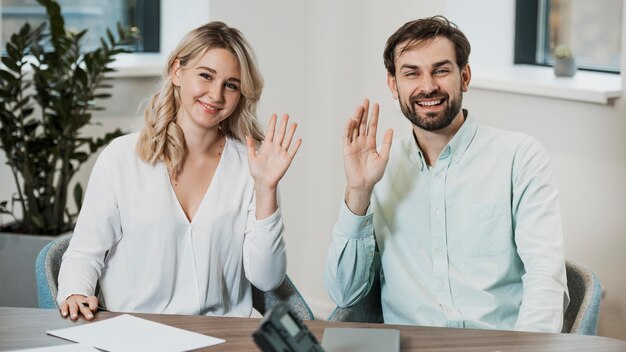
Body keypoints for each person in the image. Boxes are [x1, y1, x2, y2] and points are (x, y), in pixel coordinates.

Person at [324, 15, 568, 332]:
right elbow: (345, 295)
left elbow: (545, 276)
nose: (428, 86)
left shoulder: (518, 156)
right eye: (412, 73)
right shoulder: (378, 169)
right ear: (393, 84)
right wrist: (358, 192)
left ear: (464, 77)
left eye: (441, 70)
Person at [57, 21, 302, 320]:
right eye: (206, 76)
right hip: (132, 333)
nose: (216, 94)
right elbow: (84, 252)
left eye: (231, 85)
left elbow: (266, 279)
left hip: (221, 337)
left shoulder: (252, 168)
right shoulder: (120, 158)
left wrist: (266, 189)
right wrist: (75, 292)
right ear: (177, 72)